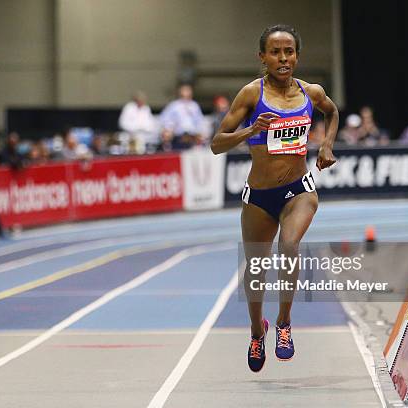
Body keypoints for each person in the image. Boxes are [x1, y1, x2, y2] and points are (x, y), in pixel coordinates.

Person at [210, 24, 338, 372]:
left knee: (289, 246)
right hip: (259, 197)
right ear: (263, 57)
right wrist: (251, 130)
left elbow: (332, 111)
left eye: (289, 52)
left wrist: (326, 145)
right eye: (276, 52)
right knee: (255, 270)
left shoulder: (311, 92)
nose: (283, 59)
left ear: (297, 55)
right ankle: (256, 331)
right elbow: (216, 144)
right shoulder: (251, 94)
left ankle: (283, 323)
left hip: (299, 191)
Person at [159, 84, 205, 150]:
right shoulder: (174, 105)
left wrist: (200, 132)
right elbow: (164, 118)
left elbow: (199, 120)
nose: (186, 93)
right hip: (179, 137)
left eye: (188, 91)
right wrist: (169, 129)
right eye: (185, 91)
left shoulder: (194, 106)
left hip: (192, 137)